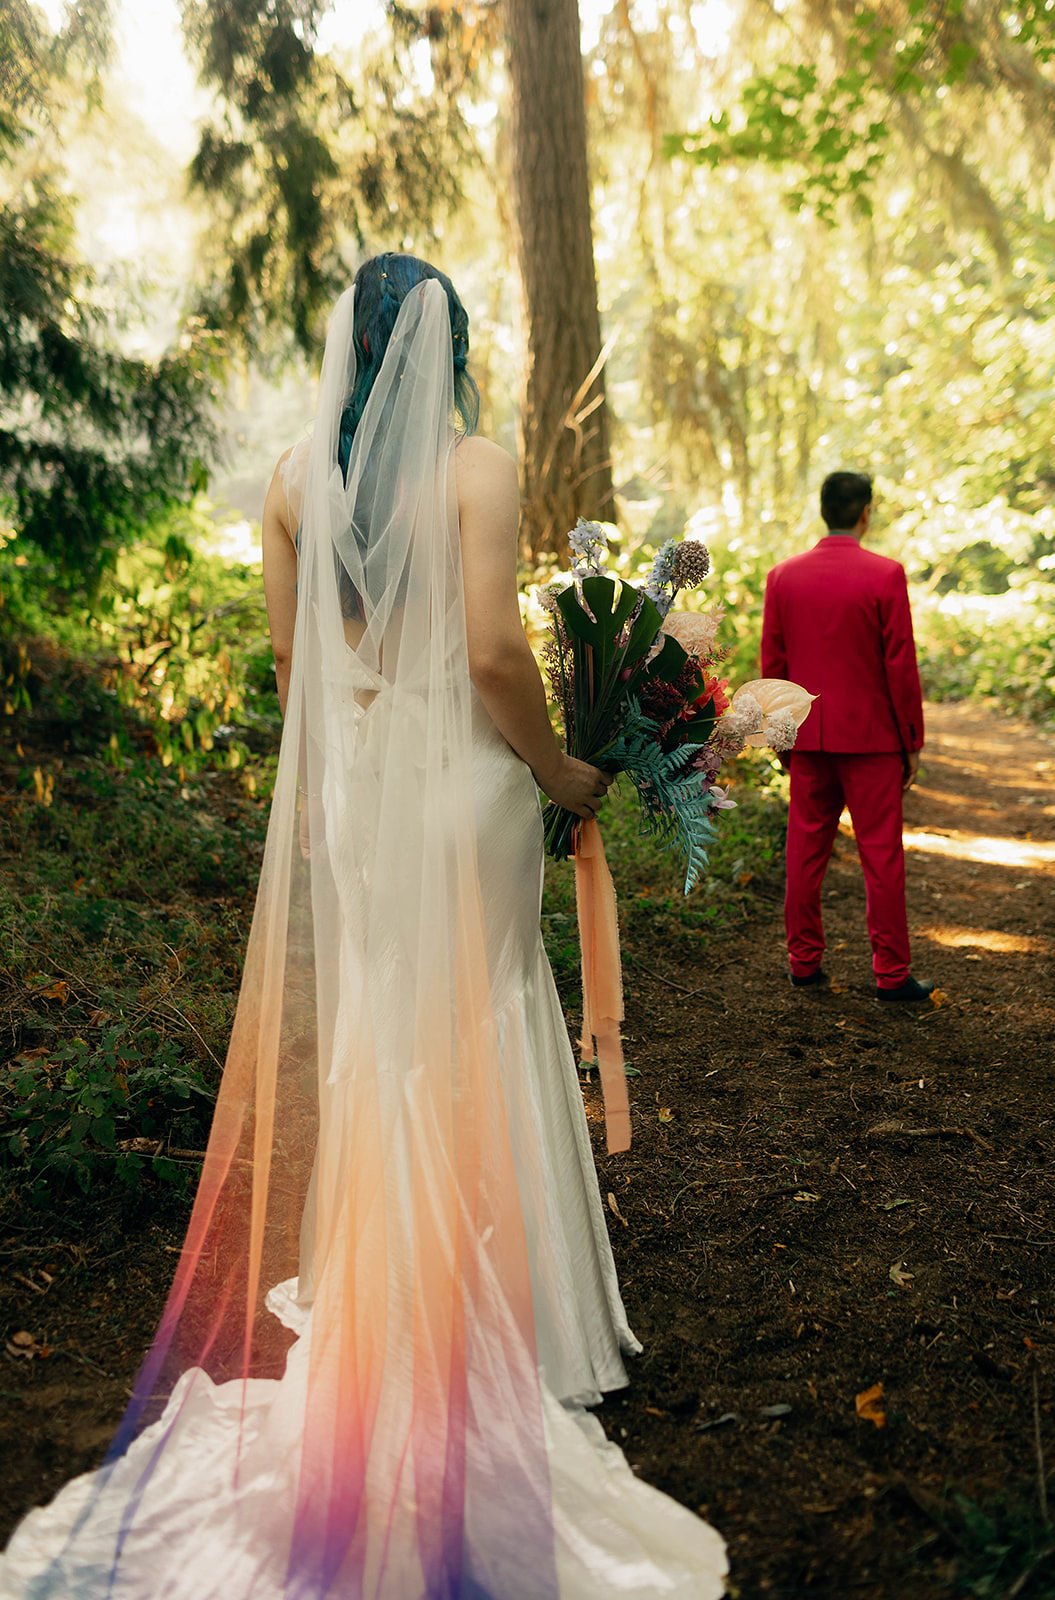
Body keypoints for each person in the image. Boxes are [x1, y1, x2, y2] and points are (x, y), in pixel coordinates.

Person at [1, 255, 727, 1596]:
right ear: (440, 351)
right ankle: (517, 1331)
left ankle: (382, 1299)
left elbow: (293, 668)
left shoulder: (290, 481)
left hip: (359, 788)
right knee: (489, 1007)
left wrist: (349, 770)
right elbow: (499, 652)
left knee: (386, 1031)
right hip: (464, 783)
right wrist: (563, 774)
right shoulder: (473, 469)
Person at [761, 470, 934, 1003]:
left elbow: (775, 664)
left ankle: (804, 963)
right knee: (881, 857)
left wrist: (780, 737)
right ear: (866, 512)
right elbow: (899, 664)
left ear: (823, 510)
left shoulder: (783, 577)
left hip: (809, 739)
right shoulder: (885, 575)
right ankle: (890, 973)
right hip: (873, 741)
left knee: (804, 854)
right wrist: (910, 741)